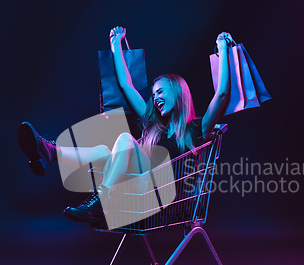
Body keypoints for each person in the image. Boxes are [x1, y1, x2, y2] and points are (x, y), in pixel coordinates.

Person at [18, 26, 233, 224]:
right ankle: (51, 152)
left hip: (162, 197)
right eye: (153, 93)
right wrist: (116, 45)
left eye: (160, 92)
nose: (155, 98)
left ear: (178, 93)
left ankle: (100, 199)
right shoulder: (154, 124)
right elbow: (126, 85)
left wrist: (222, 49)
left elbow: (222, 94)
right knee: (104, 150)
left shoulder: (196, 130)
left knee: (125, 140)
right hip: (139, 190)